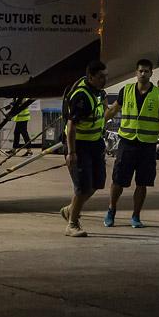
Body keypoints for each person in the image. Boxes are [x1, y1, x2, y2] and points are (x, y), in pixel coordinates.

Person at [101, 59, 159, 229]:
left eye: (146, 71)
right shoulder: (126, 91)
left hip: (147, 145)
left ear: (151, 73)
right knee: (118, 181)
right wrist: (100, 120)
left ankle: (136, 216)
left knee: (142, 182)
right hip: (127, 143)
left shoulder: (158, 94)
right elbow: (112, 111)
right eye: (140, 71)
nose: (143, 74)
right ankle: (111, 210)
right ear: (136, 72)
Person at [61, 60, 108, 238]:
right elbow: (72, 126)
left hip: (95, 143)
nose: (104, 80)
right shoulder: (82, 96)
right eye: (100, 77)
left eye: (105, 76)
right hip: (79, 145)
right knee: (83, 187)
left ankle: (70, 209)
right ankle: (72, 224)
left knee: (97, 183)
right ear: (91, 77)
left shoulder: (98, 93)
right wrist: (71, 152)